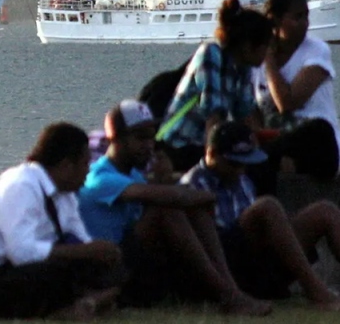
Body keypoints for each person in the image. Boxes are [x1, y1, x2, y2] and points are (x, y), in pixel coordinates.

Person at [182, 122, 340, 314]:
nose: (239, 169)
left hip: (258, 263)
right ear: (211, 153)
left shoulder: (242, 179)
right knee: (268, 207)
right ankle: (318, 293)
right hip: (226, 267)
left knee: (325, 211)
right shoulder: (193, 183)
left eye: (244, 163)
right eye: (233, 162)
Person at [78, 100, 271, 316]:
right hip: (104, 268)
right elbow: (167, 198)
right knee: (169, 208)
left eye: (151, 137)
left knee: (189, 206)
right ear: (115, 138)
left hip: (131, 263)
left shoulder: (133, 175)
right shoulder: (101, 176)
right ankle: (229, 295)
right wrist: (203, 195)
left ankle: (230, 291)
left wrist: (167, 182)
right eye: (140, 137)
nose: (149, 145)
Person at [0, 122, 125, 319]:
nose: (88, 172)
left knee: (112, 265)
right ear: (67, 166)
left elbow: (80, 239)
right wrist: (82, 251)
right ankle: (78, 306)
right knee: (51, 274)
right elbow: (21, 253)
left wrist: (99, 252)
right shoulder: (21, 185)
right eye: (85, 164)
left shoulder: (65, 194)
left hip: (26, 268)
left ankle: (87, 303)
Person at [248, 0, 340, 196]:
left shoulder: (316, 51)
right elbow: (252, 112)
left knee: (318, 129)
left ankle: (272, 157)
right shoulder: (254, 61)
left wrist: (269, 59)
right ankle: (276, 159)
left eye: (306, 16)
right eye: (297, 17)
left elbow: (287, 103)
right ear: (275, 21)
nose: (305, 24)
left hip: (320, 148)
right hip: (277, 145)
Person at [156, 0, 273, 172]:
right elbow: (213, 115)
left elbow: (245, 115)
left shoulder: (243, 68)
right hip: (178, 146)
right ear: (248, 46)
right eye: (266, 46)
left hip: (204, 144)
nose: (269, 53)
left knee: (263, 163)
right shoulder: (211, 53)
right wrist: (215, 163)